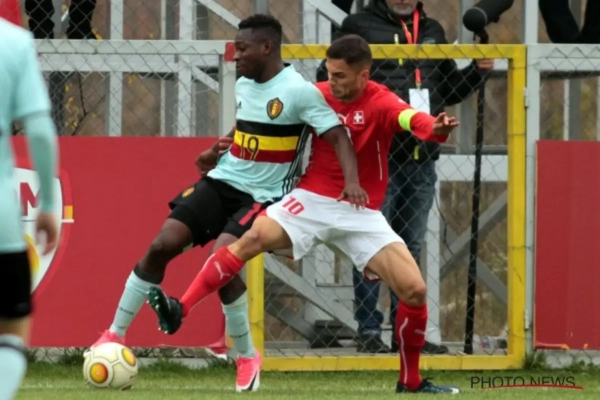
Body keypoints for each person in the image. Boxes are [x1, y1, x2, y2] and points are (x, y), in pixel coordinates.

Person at [148, 34, 461, 394]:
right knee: (253, 237)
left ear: (364, 75)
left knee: (414, 290)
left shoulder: (382, 100)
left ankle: (411, 382)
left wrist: (435, 128)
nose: (332, 82)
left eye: (340, 76)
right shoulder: (315, 94)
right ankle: (181, 308)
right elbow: (263, 121)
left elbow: (411, 118)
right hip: (311, 200)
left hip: (360, 212)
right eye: (329, 73)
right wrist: (223, 145)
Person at [89, 14, 362, 392]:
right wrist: (217, 148)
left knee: (223, 260)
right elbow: (247, 125)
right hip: (222, 181)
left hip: (262, 196)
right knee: (161, 245)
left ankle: (247, 357)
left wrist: (352, 183)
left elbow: (339, 137)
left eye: (243, 48)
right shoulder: (245, 84)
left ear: (267, 47)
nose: (236, 55)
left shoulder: (299, 92)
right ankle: (114, 335)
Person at [316, 0, 494, 355]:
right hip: (376, 160)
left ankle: (406, 333)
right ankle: (369, 330)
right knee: (369, 247)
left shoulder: (432, 30)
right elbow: (330, 80)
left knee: (409, 248)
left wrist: (477, 72)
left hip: (421, 159)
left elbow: (447, 89)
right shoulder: (358, 25)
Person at [0, 18, 59, 400]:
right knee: (12, 327)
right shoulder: (13, 42)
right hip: (1, 220)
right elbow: (39, 131)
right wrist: (48, 204)